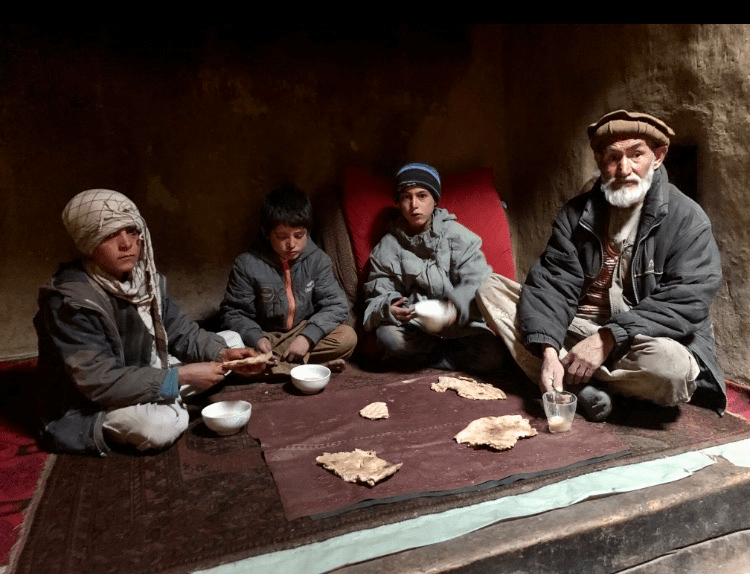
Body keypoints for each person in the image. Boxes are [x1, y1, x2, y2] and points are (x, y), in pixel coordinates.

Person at [477, 110, 725, 421]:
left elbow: (686, 302)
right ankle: (575, 379)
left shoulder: (688, 219)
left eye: (637, 155)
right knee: (490, 289)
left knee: (671, 372)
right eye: (613, 157)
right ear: (599, 160)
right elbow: (553, 283)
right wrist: (549, 350)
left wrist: (607, 338)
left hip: (643, 338)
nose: (624, 169)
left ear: (658, 157)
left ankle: (573, 383)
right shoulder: (575, 214)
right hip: (579, 328)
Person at [34, 189, 265, 456]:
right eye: (110, 235)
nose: (127, 244)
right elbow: (101, 383)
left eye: (132, 231)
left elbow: (180, 331)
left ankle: (170, 393)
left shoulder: (145, 279)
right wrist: (181, 377)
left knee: (231, 342)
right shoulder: (70, 302)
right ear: (89, 242)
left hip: (147, 370)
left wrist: (222, 353)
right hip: (94, 400)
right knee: (158, 428)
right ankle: (167, 400)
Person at [363, 162, 506, 373]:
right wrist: (390, 307)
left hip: (460, 328)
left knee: (494, 355)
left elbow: (478, 278)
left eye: (422, 196)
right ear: (398, 202)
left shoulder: (458, 236)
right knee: (388, 338)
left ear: (435, 200)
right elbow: (379, 289)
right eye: (406, 197)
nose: (414, 205)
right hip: (417, 327)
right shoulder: (387, 246)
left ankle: (425, 361)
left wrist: (455, 306)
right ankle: (440, 359)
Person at [220, 184, 356, 374]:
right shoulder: (247, 264)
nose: (291, 244)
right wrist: (256, 338)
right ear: (266, 233)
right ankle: (303, 367)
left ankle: (269, 368)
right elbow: (234, 313)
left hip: (300, 332)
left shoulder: (318, 260)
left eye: (299, 235)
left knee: (347, 337)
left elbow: (336, 304)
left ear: (308, 231)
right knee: (224, 347)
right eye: (281, 236)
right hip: (265, 337)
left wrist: (307, 337)